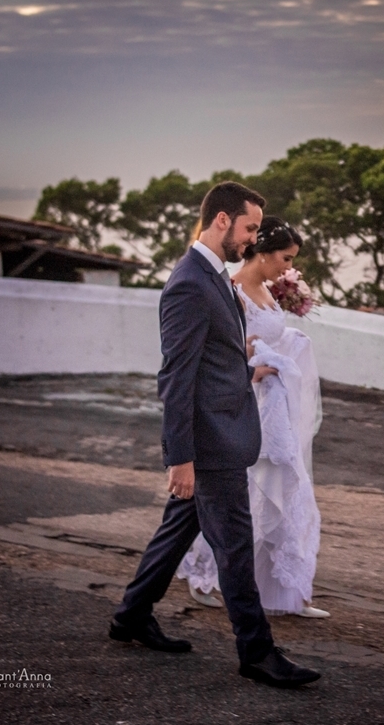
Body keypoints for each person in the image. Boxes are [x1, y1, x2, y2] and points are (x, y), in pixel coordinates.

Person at [109, 182, 321, 689]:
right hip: (211, 441)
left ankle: (131, 616)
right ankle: (257, 652)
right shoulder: (188, 282)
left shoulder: (214, 277)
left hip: (224, 430)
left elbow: (210, 359)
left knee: (178, 530)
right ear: (222, 220)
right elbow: (176, 376)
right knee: (235, 548)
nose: (253, 239)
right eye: (249, 228)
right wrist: (179, 457)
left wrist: (241, 356)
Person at [177, 216, 329, 619]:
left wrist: (288, 342)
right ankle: (205, 576)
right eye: (285, 258)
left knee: (284, 486)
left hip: (276, 404)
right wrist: (256, 361)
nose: (288, 268)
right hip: (248, 403)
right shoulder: (230, 292)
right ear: (262, 251)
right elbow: (224, 353)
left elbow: (269, 336)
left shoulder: (267, 289)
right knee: (241, 492)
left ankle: (284, 591)